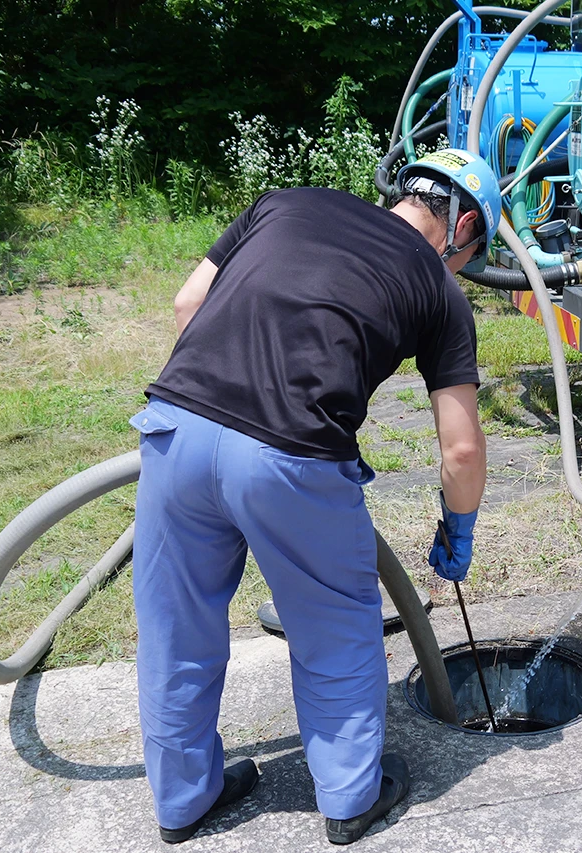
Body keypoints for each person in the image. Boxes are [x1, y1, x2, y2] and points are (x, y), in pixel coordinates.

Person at [129, 149, 498, 845]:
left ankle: (182, 800)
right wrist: (460, 526)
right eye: (470, 256)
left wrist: (220, 415)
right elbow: (462, 449)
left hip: (175, 429)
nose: (461, 269)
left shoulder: (286, 202)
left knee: (175, 626)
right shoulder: (438, 287)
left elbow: (187, 305)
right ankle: (352, 795)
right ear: (464, 227)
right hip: (292, 455)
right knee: (335, 625)